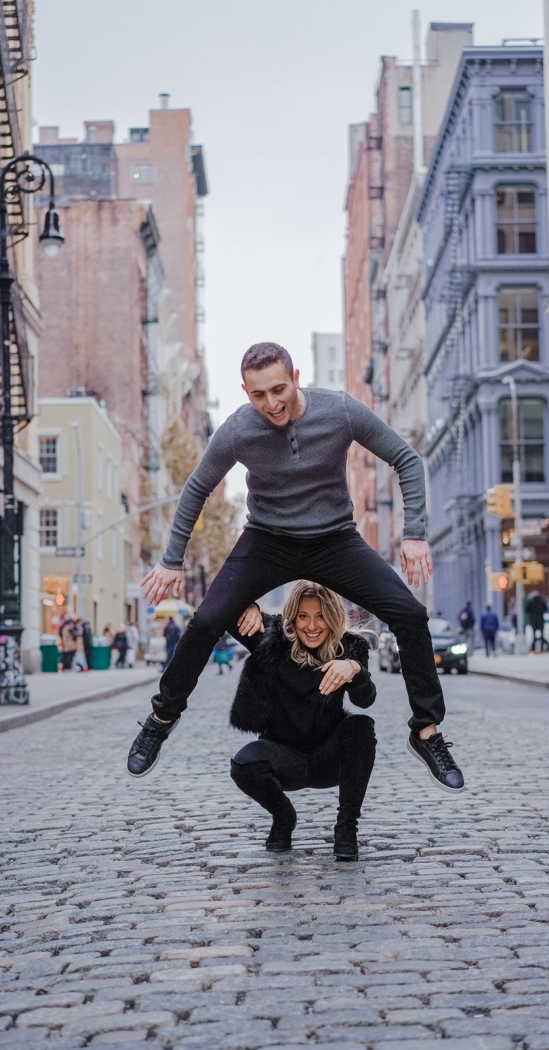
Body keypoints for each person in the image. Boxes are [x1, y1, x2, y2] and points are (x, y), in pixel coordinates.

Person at [128, 341, 464, 795]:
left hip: (335, 539)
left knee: (409, 614)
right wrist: (172, 560)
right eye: (258, 394)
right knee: (207, 618)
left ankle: (427, 732)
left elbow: (406, 458)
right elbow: (196, 488)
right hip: (268, 539)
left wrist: (415, 532)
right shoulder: (237, 430)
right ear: (245, 392)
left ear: (297, 377)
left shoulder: (340, 412)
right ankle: (161, 718)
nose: (272, 403)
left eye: (279, 389)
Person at [229, 582, 377, 861]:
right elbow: (222, 609)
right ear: (292, 617)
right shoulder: (271, 639)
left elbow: (365, 700)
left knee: (361, 726)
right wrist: (249, 604)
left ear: (333, 616)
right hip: (284, 758)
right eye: (303, 616)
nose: (312, 625)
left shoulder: (350, 646)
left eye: (321, 615)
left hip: (328, 758)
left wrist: (354, 669)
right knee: (243, 765)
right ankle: (284, 817)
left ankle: (346, 828)